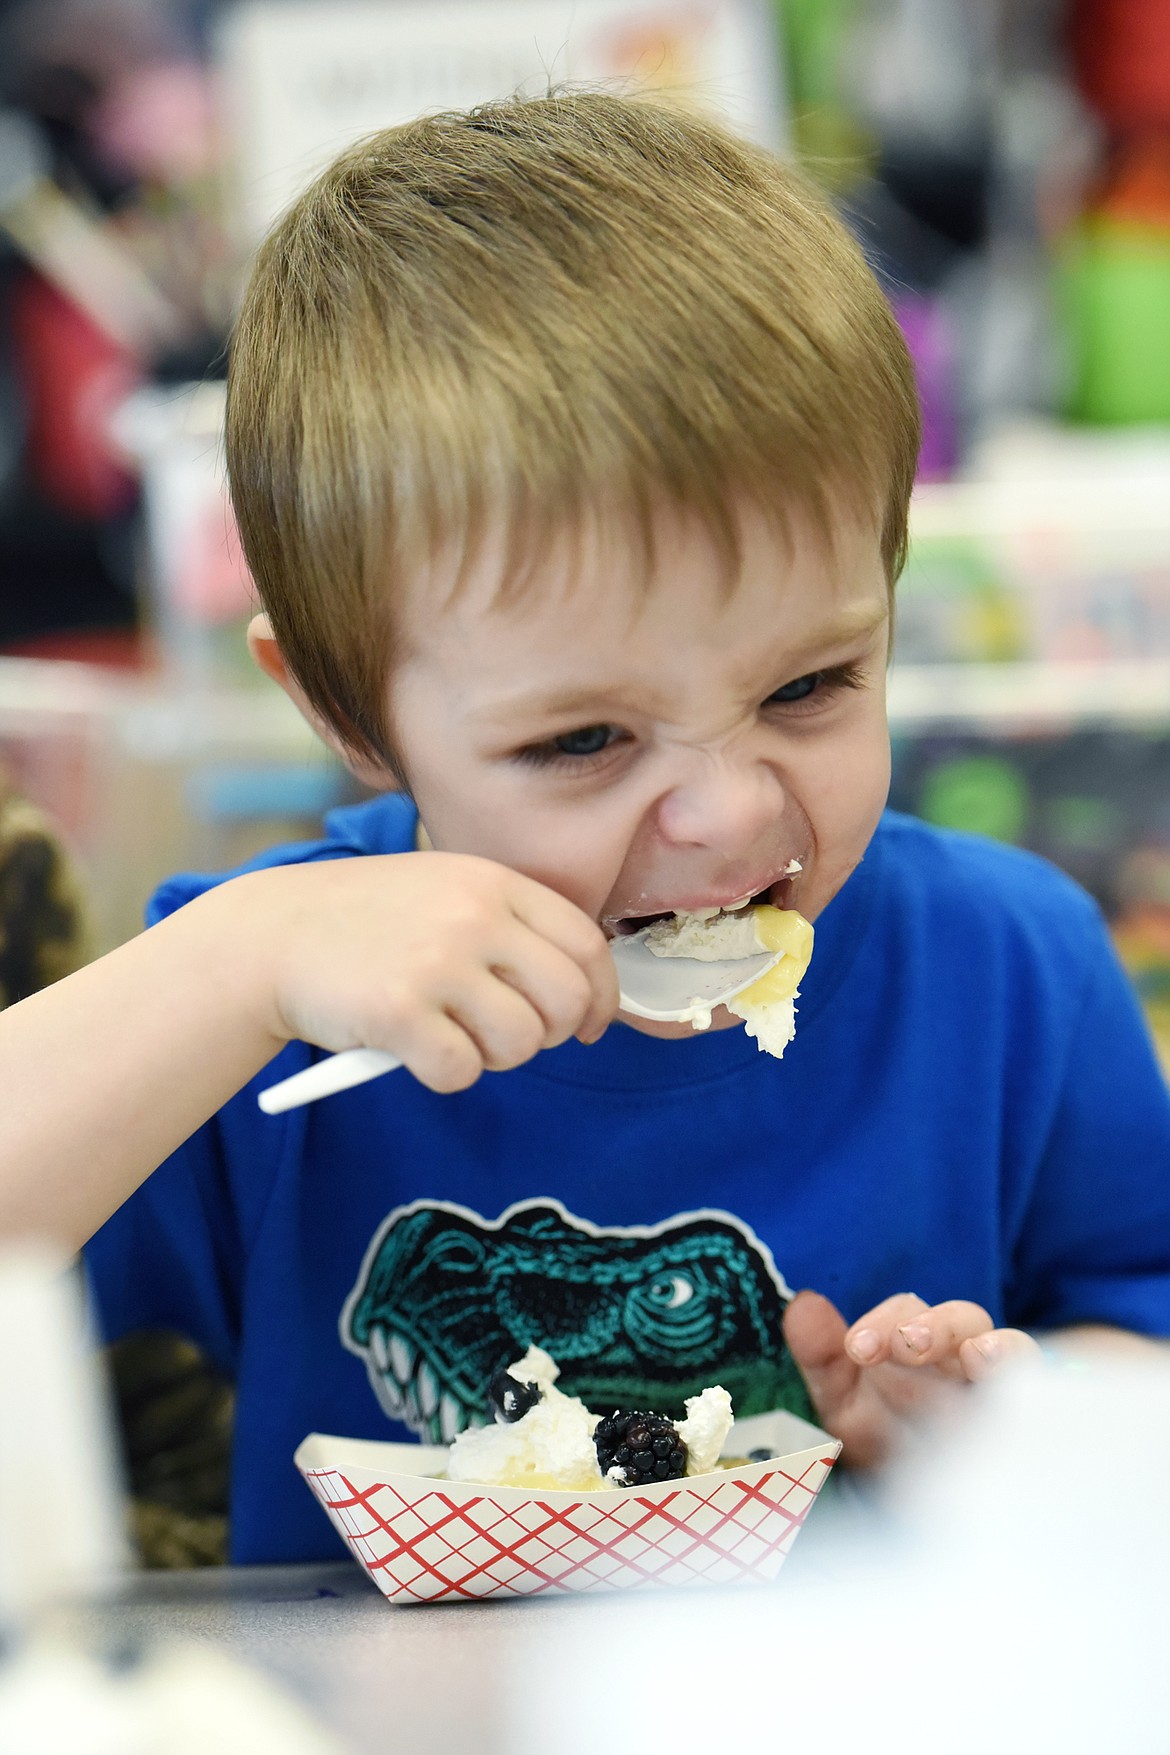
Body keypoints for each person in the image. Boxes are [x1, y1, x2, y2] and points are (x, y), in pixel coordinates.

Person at [2, 93, 1168, 1565]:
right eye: (582, 742)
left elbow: (1139, 1330)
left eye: (808, 687)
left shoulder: (1008, 970)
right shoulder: (272, 999)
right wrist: (226, 972)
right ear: (350, 715)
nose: (734, 811)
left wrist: (1027, 1416)